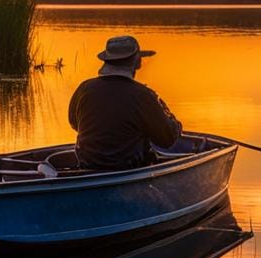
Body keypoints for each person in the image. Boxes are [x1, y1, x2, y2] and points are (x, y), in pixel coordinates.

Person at [68, 35, 182, 170]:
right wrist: (175, 124)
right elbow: (167, 140)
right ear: (137, 62)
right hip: (127, 169)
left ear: (106, 61)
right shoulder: (143, 95)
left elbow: (74, 123)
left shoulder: (85, 88)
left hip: (88, 167)